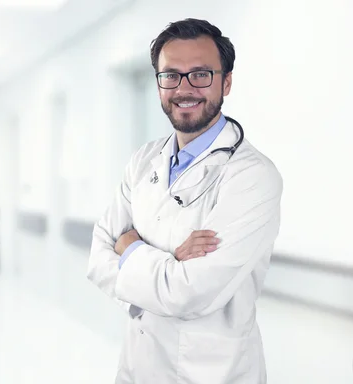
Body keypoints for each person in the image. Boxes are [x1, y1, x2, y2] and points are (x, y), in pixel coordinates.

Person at [87, 18, 283, 384]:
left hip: (212, 373)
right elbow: (97, 257)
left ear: (226, 81)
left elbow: (188, 293)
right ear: (159, 83)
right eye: (171, 75)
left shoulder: (253, 177)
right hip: (137, 367)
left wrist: (129, 247)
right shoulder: (143, 161)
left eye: (200, 74)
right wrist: (171, 261)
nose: (184, 88)